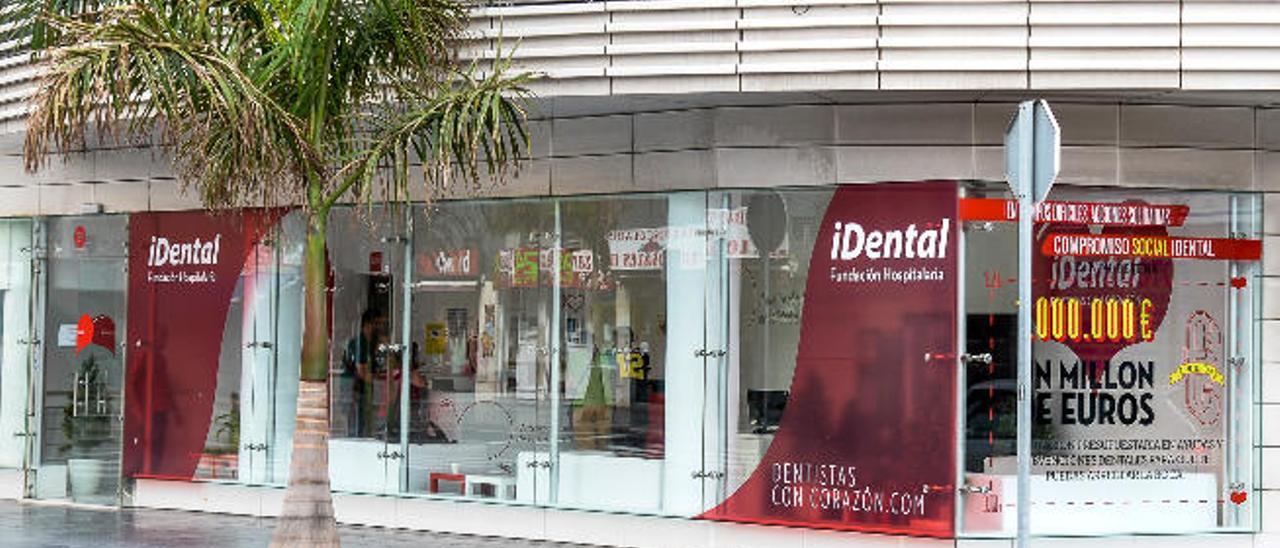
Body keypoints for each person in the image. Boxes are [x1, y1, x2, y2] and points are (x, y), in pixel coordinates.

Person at [342, 309, 378, 437]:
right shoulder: (360, 343)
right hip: (355, 389)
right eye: (376, 324)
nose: (377, 329)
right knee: (357, 421)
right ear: (368, 324)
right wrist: (379, 383)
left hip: (358, 388)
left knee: (359, 421)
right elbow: (361, 370)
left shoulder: (367, 343)